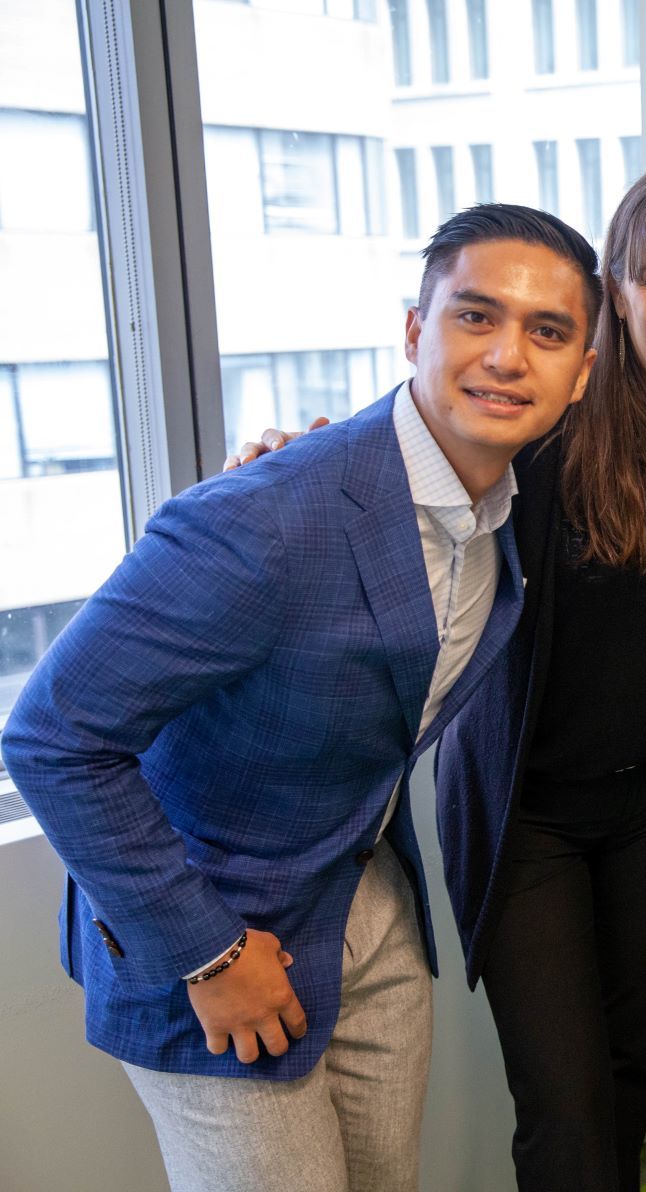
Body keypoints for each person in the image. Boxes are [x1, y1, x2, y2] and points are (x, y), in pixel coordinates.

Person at [0, 204, 600, 1192]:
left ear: (580, 372)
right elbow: (52, 739)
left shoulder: (506, 511)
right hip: (214, 939)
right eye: (474, 316)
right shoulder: (266, 513)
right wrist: (207, 952)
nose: (506, 356)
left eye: (547, 332)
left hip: (368, 915)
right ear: (415, 331)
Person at [227, 164, 646, 1192]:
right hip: (531, 814)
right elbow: (420, 433)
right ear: (616, 289)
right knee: (565, 1110)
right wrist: (279, 459)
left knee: (624, 1076)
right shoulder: (556, 413)